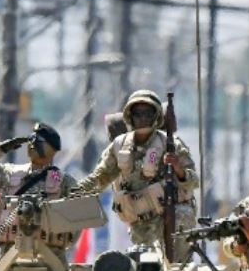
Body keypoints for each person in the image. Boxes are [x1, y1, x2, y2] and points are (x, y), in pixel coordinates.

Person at [71, 89, 199, 259]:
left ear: (156, 116)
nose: (143, 118)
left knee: (177, 268)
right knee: (146, 269)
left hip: (172, 218)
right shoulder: (119, 146)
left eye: (148, 113)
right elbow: (100, 177)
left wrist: (177, 168)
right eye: (138, 114)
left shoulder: (170, 144)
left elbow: (193, 181)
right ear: (130, 117)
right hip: (141, 224)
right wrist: (74, 193)